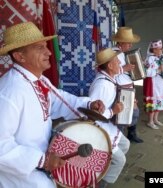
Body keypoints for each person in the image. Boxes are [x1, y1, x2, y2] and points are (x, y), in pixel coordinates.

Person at [0, 22, 105, 188]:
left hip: (42, 160)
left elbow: (60, 100)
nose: (49, 52)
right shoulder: (9, 92)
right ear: (20, 56)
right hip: (21, 175)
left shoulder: (39, 80)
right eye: (39, 48)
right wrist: (41, 160)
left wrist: (88, 104)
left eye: (45, 46)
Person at [88, 48, 130, 187]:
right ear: (110, 66)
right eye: (116, 61)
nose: (119, 62)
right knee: (120, 160)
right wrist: (113, 111)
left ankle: (104, 166)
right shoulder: (102, 85)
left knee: (125, 144)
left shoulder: (109, 79)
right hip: (99, 129)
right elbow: (92, 115)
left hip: (107, 125)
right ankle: (99, 184)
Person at [111, 27, 143, 143]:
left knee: (132, 112)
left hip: (127, 87)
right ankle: (118, 139)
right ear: (120, 42)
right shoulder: (113, 53)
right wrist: (125, 68)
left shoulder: (122, 53)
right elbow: (109, 71)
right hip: (121, 89)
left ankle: (129, 134)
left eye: (131, 43)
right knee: (123, 116)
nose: (130, 45)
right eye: (128, 43)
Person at [143, 39, 163, 129]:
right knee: (153, 102)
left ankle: (156, 119)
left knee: (159, 102)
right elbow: (147, 73)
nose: (162, 50)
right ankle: (150, 121)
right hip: (153, 84)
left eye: (162, 48)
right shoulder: (149, 59)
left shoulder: (161, 58)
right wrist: (158, 70)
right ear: (154, 50)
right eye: (160, 49)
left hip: (161, 83)